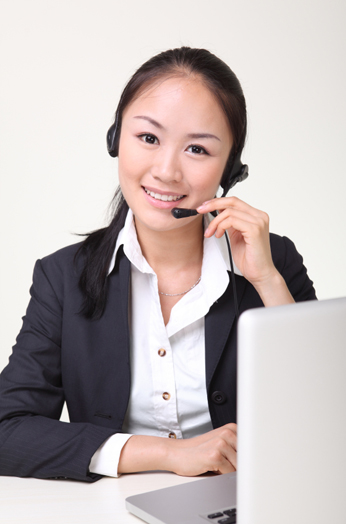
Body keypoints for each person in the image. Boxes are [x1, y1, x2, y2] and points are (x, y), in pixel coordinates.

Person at [0, 47, 316, 482]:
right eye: (148, 138)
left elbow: (325, 418)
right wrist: (167, 454)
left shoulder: (272, 261)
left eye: (198, 149)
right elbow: (7, 430)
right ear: (115, 139)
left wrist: (267, 281)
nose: (167, 171)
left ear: (231, 169)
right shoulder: (63, 278)